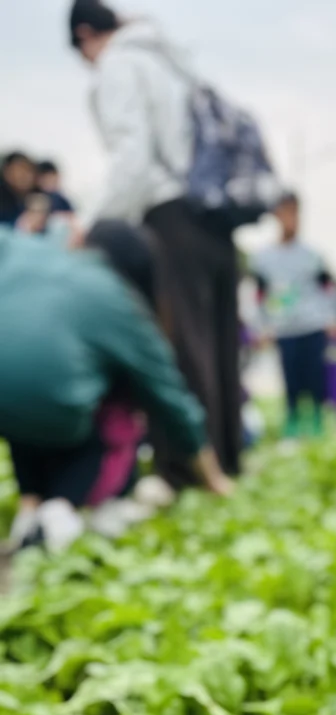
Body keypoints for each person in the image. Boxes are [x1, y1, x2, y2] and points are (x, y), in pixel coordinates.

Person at [70, 0, 244, 486]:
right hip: (217, 216)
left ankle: (185, 472)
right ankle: (227, 459)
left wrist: (94, 227)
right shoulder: (174, 61)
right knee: (219, 341)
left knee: (179, 343)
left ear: (85, 34)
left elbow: (133, 156)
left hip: (171, 215)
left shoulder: (120, 65)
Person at [0, 225, 227, 551]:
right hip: (58, 412)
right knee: (93, 425)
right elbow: (173, 400)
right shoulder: (119, 299)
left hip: (10, 412)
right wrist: (213, 479)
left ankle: (29, 508)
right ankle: (59, 511)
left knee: (22, 411)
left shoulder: (28, 250)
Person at [252, 193, 336, 436]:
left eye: (296, 213)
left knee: (315, 375)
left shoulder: (312, 254)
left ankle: (317, 420)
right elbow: (259, 295)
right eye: (286, 213)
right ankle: (292, 421)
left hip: (313, 324)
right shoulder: (263, 258)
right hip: (283, 327)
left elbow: (328, 287)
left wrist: (334, 317)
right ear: (276, 216)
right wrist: (261, 326)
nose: (292, 219)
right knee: (290, 377)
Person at [0, 153, 38, 228]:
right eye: (18, 170)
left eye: (27, 170)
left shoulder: (38, 195)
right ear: (6, 172)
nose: (23, 175)